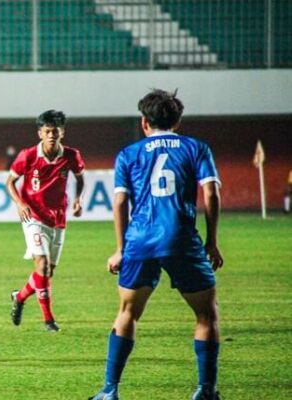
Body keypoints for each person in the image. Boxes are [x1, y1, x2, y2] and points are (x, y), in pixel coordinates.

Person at [90, 90, 224, 400]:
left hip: (140, 241)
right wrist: (211, 242)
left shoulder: (129, 153)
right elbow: (212, 193)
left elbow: (120, 200)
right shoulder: (197, 148)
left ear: (144, 123)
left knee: (127, 312)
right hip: (182, 239)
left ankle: (110, 391)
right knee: (206, 314)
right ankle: (205, 390)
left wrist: (121, 249)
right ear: (177, 121)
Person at [6, 110, 85, 332]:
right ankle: (49, 320)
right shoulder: (28, 155)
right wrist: (21, 204)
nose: (52, 135)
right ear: (40, 133)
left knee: (47, 272)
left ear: (62, 132)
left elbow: (80, 178)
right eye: (47, 131)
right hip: (33, 216)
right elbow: (10, 182)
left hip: (58, 217)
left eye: (55, 131)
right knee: (41, 263)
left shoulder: (71, 155)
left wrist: (78, 199)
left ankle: (19, 297)